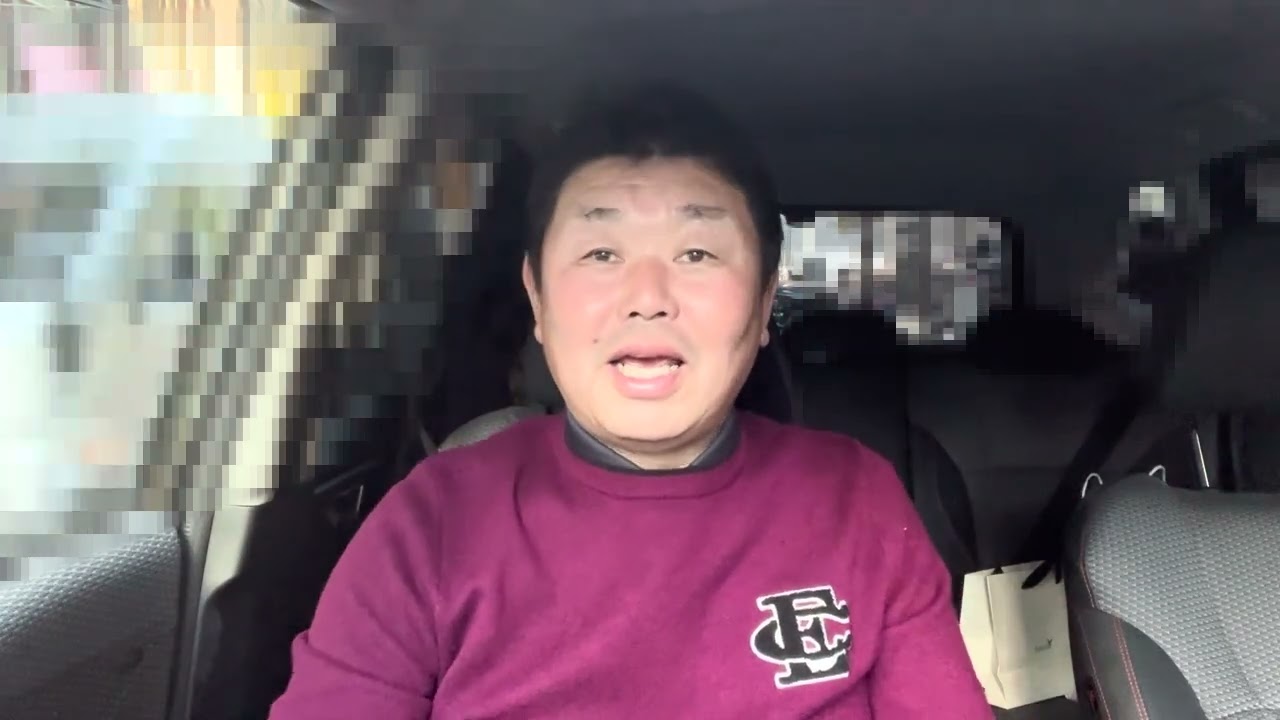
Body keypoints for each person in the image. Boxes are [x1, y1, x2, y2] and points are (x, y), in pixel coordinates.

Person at [269, 84, 992, 719]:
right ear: (537, 299)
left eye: (697, 254)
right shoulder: (433, 521)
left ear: (764, 302)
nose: (647, 298)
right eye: (601, 254)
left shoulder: (856, 498)